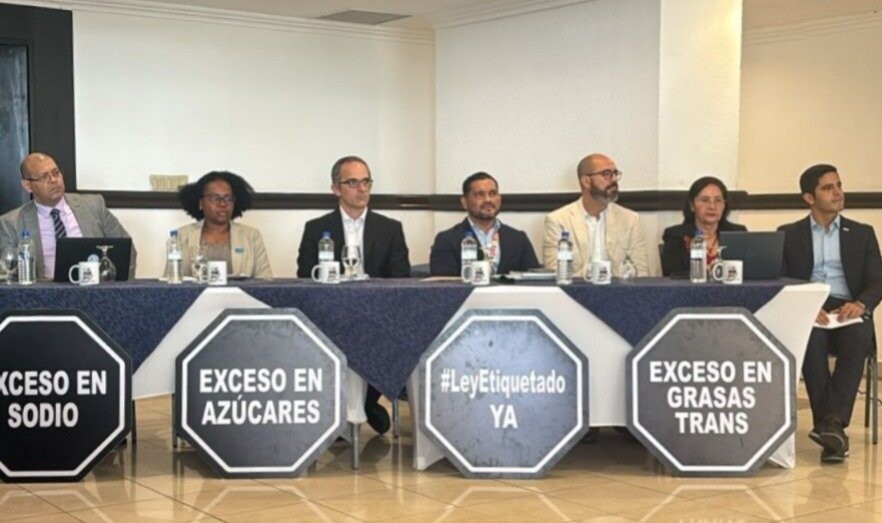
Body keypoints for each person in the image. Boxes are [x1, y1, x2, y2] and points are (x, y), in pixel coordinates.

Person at [296, 155, 410, 435]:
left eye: (366, 182)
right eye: (353, 182)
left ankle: (368, 402)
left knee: (389, 333)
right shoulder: (316, 229)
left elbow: (400, 279)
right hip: (331, 313)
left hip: (378, 313)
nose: (362, 189)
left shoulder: (390, 228)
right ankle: (339, 410)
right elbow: (305, 277)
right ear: (336, 188)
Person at [779, 164, 882, 463]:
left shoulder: (862, 233)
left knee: (858, 336)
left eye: (839, 185)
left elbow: (877, 281)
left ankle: (830, 424)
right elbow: (781, 280)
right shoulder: (789, 234)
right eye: (828, 188)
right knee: (809, 339)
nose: (838, 192)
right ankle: (833, 428)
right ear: (809, 198)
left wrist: (861, 304)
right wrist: (805, 306)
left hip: (849, 308)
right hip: (811, 308)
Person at [0, 152, 136, 280]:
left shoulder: (93, 206)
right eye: (44, 176)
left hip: (93, 290)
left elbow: (127, 251)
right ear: (28, 185)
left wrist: (119, 290)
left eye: (56, 172)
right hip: (43, 294)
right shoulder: (10, 223)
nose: (54, 180)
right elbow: (7, 272)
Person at [543, 153, 649, 277]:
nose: (614, 179)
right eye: (607, 174)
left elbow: (641, 273)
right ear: (586, 181)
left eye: (615, 173)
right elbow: (555, 274)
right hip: (576, 288)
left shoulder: (631, 220)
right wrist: (592, 272)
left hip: (619, 288)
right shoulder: (558, 221)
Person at [430, 172, 539, 276]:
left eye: (493, 194)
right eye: (480, 195)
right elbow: (443, 284)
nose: (488, 200)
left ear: (500, 199)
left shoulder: (518, 239)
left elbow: (534, 281)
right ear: (464, 202)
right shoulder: (447, 240)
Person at [176, 171, 272, 279]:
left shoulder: (251, 236)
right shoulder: (182, 236)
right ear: (200, 203)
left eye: (228, 198)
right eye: (215, 198)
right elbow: (171, 279)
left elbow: (265, 279)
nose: (223, 204)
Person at [661, 176, 746, 277]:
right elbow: (673, 274)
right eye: (704, 200)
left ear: (724, 205)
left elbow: (747, 271)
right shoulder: (675, 235)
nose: (712, 206)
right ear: (692, 205)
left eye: (718, 200)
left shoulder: (738, 233)